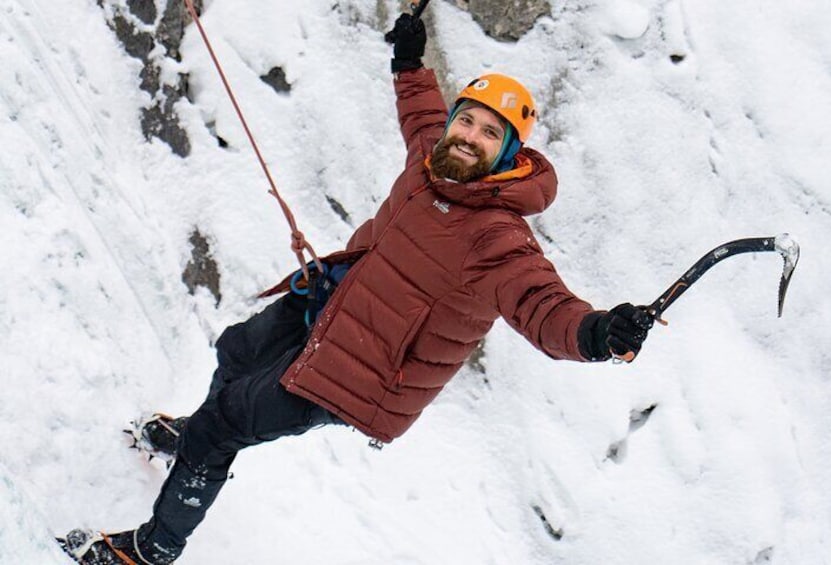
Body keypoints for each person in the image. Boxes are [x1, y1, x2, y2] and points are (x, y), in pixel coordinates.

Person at [62, 11, 653, 565]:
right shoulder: (432, 158)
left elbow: (542, 306)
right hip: (334, 301)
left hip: (366, 373)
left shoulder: (498, 237)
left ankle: (152, 549)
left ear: (509, 153)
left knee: (225, 424)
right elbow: (420, 113)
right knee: (236, 351)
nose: (469, 135)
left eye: (489, 132)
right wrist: (409, 62)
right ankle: (194, 438)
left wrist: (598, 333)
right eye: (466, 119)